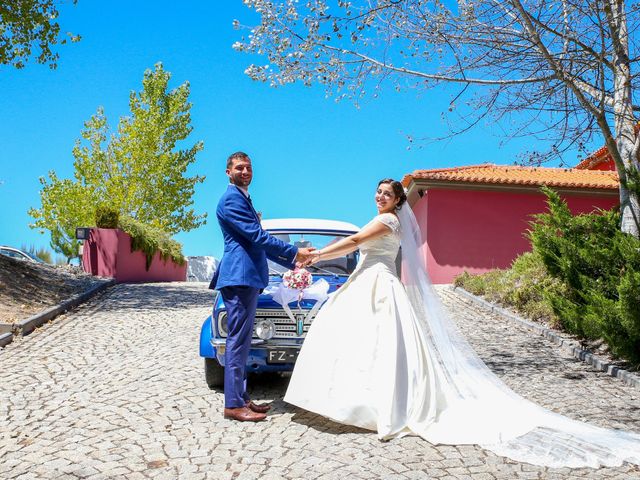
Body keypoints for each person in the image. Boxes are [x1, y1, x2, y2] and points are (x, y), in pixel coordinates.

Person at [284, 178, 640, 468]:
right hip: (367, 281)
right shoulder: (383, 218)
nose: (380, 197)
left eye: (387, 194)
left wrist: (315, 253)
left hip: (379, 285)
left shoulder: (388, 221)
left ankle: (384, 405)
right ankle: (359, 398)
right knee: (365, 344)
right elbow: (357, 243)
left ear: (397, 203)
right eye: (377, 192)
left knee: (382, 345)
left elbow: (357, 241)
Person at [210, 151, 315, 422]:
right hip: (239, 276)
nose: (245, 171)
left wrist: (292, 263)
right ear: (228, 172)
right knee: (237, 341)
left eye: (248, 167)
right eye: (239, 167)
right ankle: (233, 405)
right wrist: (294, 253)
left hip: (248, 276)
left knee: (243, 342)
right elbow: (257, 236)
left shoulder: (242, 198)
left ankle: (242, 397)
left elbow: (255, 243)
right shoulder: (231, 199)